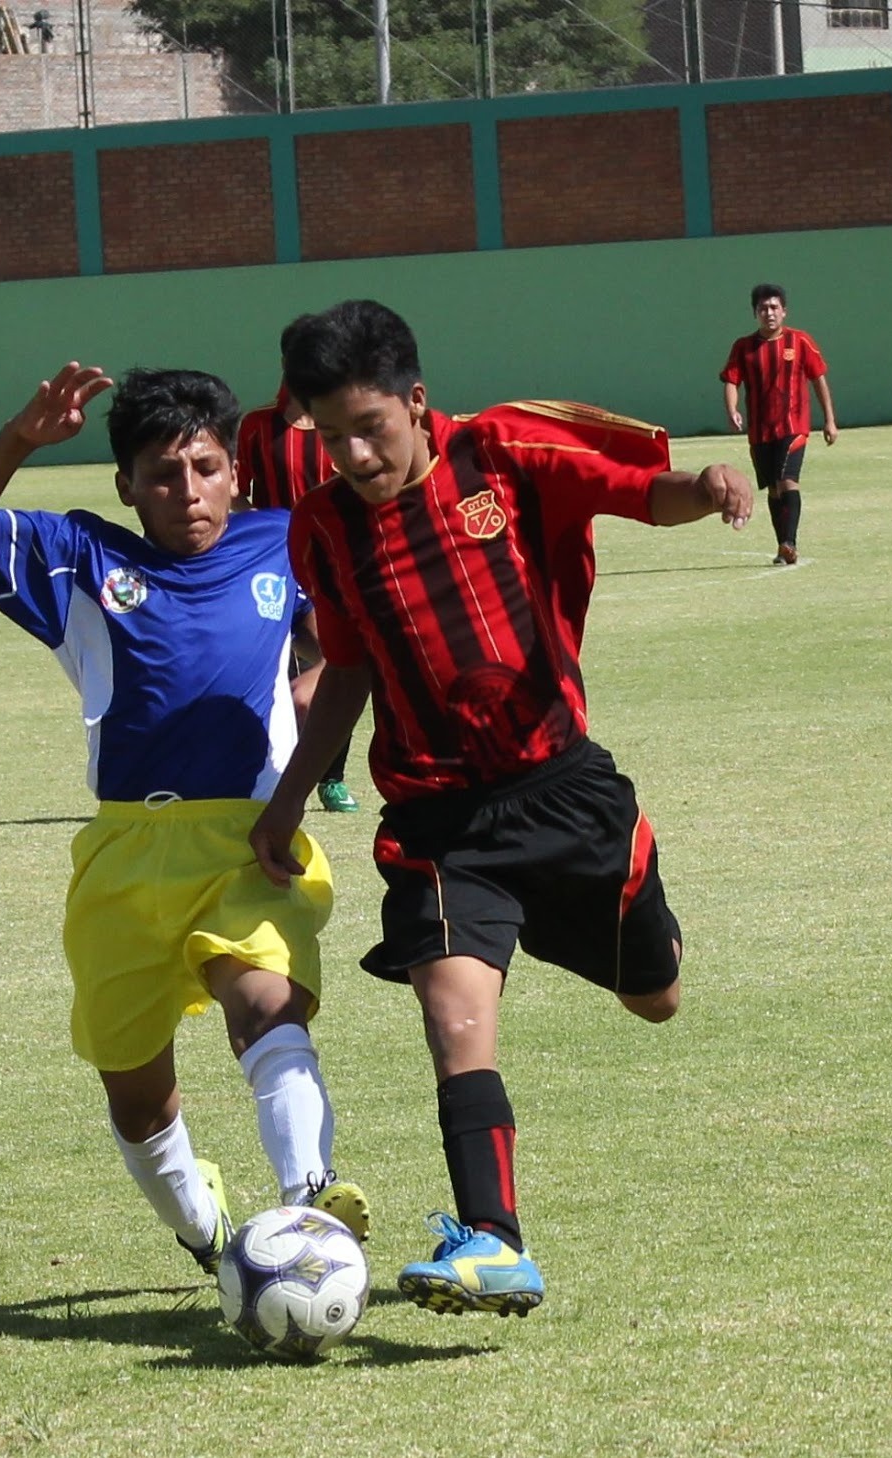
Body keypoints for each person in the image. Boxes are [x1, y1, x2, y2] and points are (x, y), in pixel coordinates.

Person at [249, 299, 753, 1318]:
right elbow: (344, 663)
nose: (349, 453)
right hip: (436, 818)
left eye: (369, 427)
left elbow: (630, 491)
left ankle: (621, 899)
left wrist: (704, 489)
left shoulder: (501, 453)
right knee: (452, 1017)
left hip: (563, 794)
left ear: (416, 400)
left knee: (654, 996)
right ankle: (494, 1241)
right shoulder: (321, 527)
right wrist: (290, 795)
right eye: (327, 434)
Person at [0, 362, 369, 1276]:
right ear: (126, 485)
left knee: (266, 1001)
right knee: (137, 1094)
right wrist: (20, 437)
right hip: (127, 851)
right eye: (162, 475)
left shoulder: (286, 543)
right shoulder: (83, 556)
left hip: (249, 837)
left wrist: (301, 706)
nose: (188, 491)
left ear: (236, 470)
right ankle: (208, 1234)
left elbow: (348, 648)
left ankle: (308, 1206)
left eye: (206, 467)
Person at [236, 368, 359, 815]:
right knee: (272, 668)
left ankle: (332, 778)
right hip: (269, 561)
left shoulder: (338, 428)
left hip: (328, 564)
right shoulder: (257, 426)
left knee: (338, 662)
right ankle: (270, 774)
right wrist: (266, 530)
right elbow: (236, 491)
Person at [720, 282, 837, 565]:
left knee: (787, 482)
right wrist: (732, 409)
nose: (769, 313)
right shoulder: (744, 347)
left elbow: (818, 378)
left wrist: (830, 420)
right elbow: (732, 380)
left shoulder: (800, 341)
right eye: (763, 308)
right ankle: (782, 547)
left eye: (774, 307)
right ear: (755, 313)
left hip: (794, 427)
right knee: (773, 489)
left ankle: (789, 542)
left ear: (784, 311)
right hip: (761, 432)